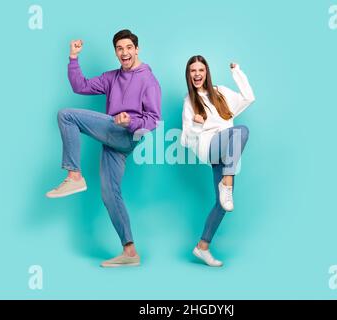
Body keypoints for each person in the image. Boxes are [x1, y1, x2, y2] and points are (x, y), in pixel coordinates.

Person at [46, 30, 162, 268]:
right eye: (120, 49)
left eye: (129, 47)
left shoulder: (148, 80)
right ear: (116, 52)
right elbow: (81, 86)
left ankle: (74, 175)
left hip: (126, 134)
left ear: (137, 49)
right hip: (112, 139)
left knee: (66, 115)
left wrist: (129, 121)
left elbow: (153, 120)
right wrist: (73, 58)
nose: (124, 52)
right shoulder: (111, 77)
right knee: (110, 195)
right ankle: (130, 252)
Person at [181, 55, 255, 267]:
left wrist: (237, 73)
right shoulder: (189, 101)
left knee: (222, 204)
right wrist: (196, 125)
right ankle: (228, 183)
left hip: (227, 152)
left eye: (201, 70)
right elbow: (186, 140)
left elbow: (248, 98)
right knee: (241, 130)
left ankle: (202, 247)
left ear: (207, 72)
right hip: (208, 147)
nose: (197, 74)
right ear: (189, 74)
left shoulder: (221, 92)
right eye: (193, 71)